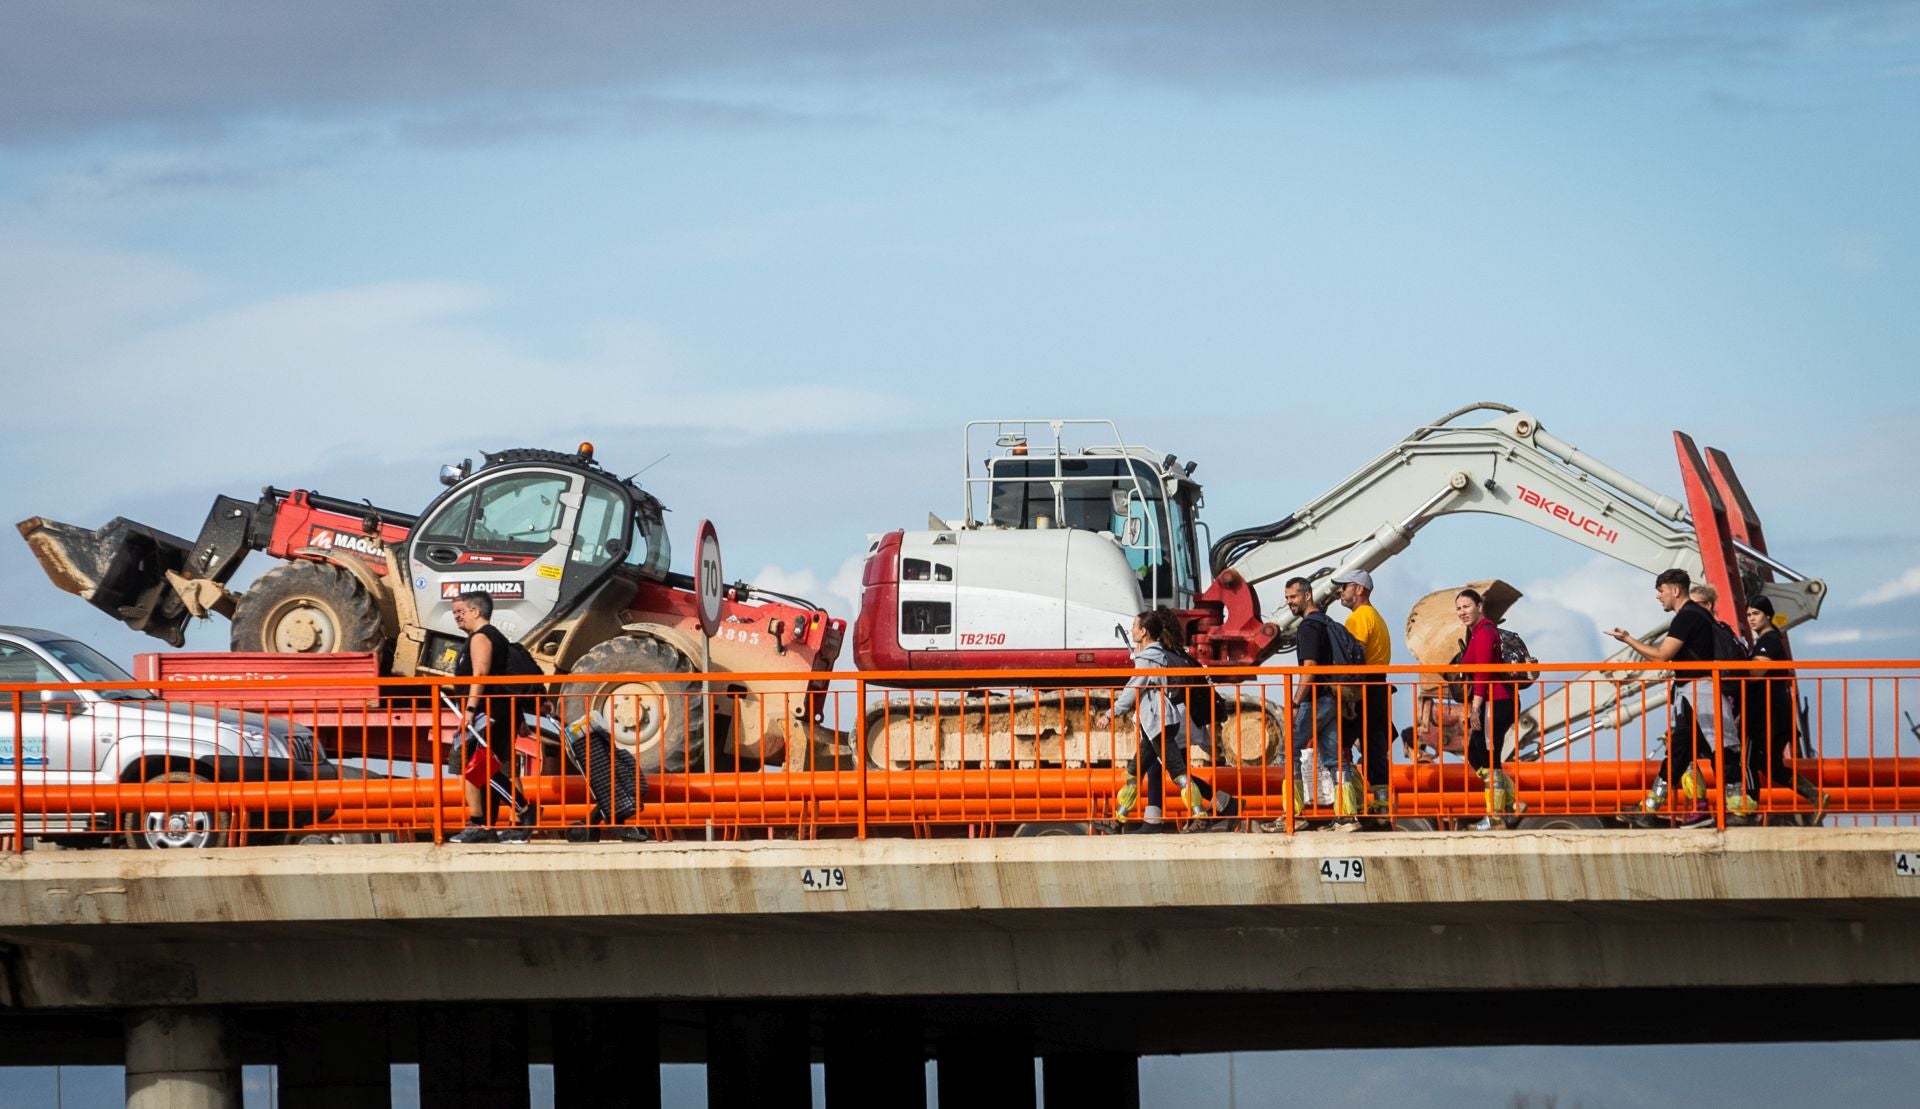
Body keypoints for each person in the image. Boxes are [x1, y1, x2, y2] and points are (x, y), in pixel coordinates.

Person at [1096, 608, 1227, 832]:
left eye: (1135, 627)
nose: (1132, 630)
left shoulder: (1147, 659)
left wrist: (1110, 713)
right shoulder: (1161, 654)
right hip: (1155, 723)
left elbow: (1133, 689)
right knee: (1135, 772)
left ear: (1144, 631)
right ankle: (1119, 820)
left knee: (1179, 773)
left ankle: (1200, 814)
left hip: (1158, 723)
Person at [1608, 568, 1717, 826]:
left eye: (1661, 590)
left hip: (1695, 694)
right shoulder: (1700, 616)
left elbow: (1661, 655)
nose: (1659, 597)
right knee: (1684, 753)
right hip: (1699, 693)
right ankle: (1692, 808)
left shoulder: (1686, 617)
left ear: (1675, 590)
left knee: (1687, 751)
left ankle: (1655, 807)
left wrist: (1628, 640)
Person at [448, 591, 533, 844]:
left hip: (485, 713)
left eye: (460, 612)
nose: (457, 617)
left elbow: (481, 675)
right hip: (496, 711)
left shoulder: (481, 637)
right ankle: (492, 822)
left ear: (476, 611)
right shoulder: (497, 638)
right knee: (485, 767)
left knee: (472, 766)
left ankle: (488, 821)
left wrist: (470, 710)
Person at [1265, 576, 1350, 828]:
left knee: (1287, 752)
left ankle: (1293, 814)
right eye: (1288, 598)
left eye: (1293, 597)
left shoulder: (1308, 627)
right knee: (1335, 759)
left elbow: (1309, 668)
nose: (1290, 603)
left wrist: (1295, 701)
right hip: (1333, 697)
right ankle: (1347, 816)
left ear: (1307, 595)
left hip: (1315, 699)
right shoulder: (1326, 622)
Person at [1743, 596, 1828, 823]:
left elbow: (1754, 675)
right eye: (1749, 614)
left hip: (1766, 714)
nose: (1751, 619)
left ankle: (1747, 810)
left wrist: (1729, 671)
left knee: (1748, 760)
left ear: (1768, 615)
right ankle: (1815, 795)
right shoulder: (1771, 640)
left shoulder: (1768, 642)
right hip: (1776, 713)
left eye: (1756, 614)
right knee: (1768, 765)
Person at [1455, 588, 1520, 830]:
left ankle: (1494, 817)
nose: (1463, 612)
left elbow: (1482, 672)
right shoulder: (1478, 632)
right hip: (1495, 701)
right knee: (1478, 753)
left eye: (1467, 607)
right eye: (1459, 608)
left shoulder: (1484, 633)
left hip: (1494, 701)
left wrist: (1475, 707)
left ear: (1479, 606)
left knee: (1490, 759)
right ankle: (1511, 803)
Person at [1332, 569, 1393, 820]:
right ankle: (1381, 807)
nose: (1340, 592)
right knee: (1374, 747)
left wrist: (1346, 698)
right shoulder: (1375, 616)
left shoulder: (1359, 618)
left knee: (1338, 747)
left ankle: (1350, 805)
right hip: (1378, 687)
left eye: (1344, 587)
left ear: (1359, 589)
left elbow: (1351, 660)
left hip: (1362, 689)